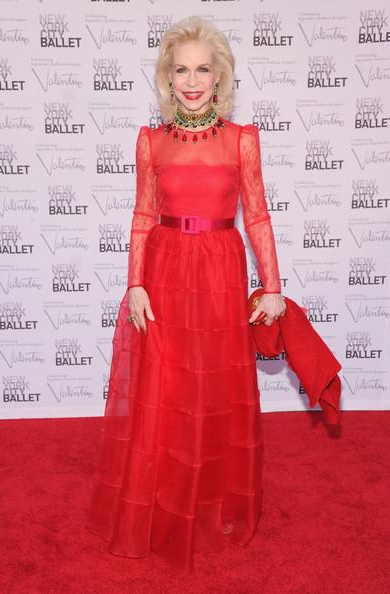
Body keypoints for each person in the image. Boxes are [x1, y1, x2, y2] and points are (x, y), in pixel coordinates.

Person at [87, 15, 286, 572]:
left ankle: (212, 498)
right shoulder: (150, 142)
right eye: (182, 70)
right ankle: (163, 496)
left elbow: (258, 215)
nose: (192, 80)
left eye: (203, 69)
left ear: (220, 77)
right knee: (166, 387)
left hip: (221, 270)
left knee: (216, 386)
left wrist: (271, 285)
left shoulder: (243, 140)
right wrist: (134, 283)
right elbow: (143, 214)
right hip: (166, 270)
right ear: (167, 77)